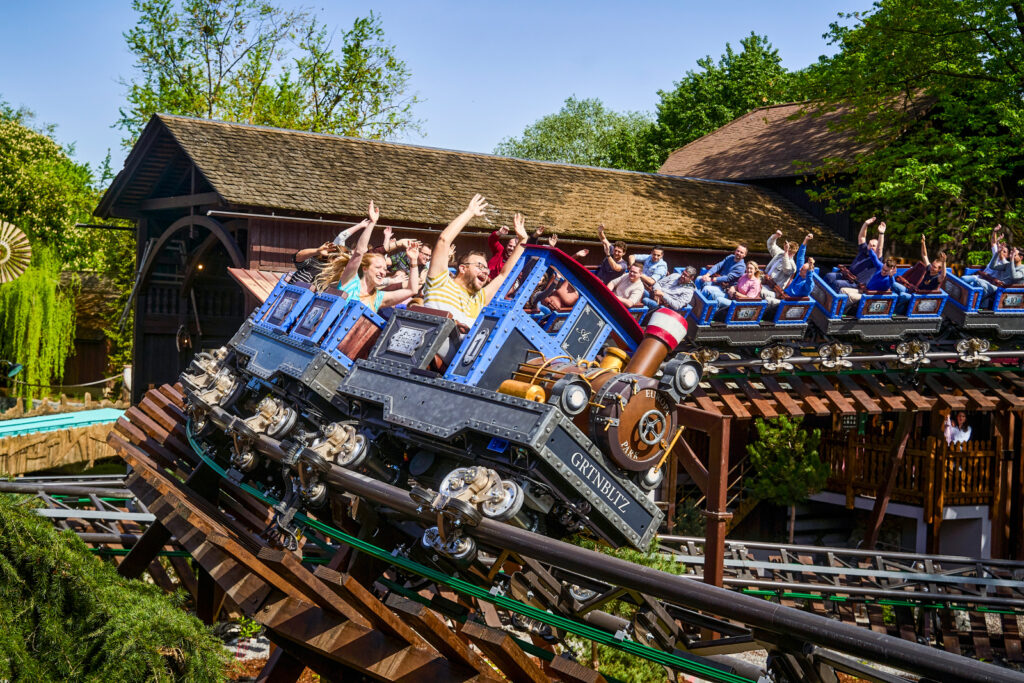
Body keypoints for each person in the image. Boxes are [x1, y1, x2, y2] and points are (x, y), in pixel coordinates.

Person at [423, 195, 529, 329]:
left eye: (486, 268)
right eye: (479, 266)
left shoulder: (479, 299)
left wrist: (523, 240)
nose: (485, 271)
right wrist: (470, 212)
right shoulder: (440, 282)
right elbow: (443, 241)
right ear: (463, 268)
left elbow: (504, 275)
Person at [824, 216, 886, 290]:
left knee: (837, 283)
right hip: (847, 275)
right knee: (829, 276)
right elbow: (862, 237)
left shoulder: (876, 260)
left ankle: (829, 297)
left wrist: (881, 233)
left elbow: (879, 249)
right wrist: (865, 224)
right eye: (870, 245)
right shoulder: (864, 250)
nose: (871, 247)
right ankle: (820, 294)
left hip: (857, 283)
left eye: (874, 246)